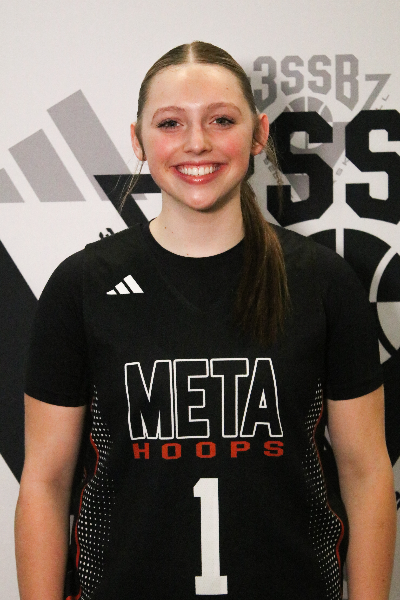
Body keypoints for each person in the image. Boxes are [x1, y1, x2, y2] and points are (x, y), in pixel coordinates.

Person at [15, 41, 396, 600]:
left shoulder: (323, 282)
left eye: (221, 120)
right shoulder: (82, 286)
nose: (197, 143)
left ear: (259, 133)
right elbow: (45, 483)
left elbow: (367, 475)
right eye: (171, 123)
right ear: (138, 140)